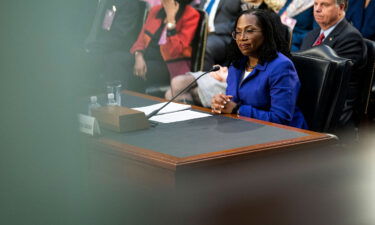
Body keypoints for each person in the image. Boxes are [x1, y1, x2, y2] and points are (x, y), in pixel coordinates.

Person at [211, 9, 308, 129]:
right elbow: (232, 102)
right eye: (238, 32)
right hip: (244, 128)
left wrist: (237, 109)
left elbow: (280, 119)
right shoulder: (237, 65)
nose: (242, 38)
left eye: (250, 31)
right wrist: (222, 103)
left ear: (266, 34)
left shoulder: (282, 67)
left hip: (284, 136)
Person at [300, 0, 367, 131]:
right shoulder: (310, 36)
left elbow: (331, 83)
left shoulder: (350, 38)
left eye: (324, 4)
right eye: (315, 4)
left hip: (330, 113)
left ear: (341, 7)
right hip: (309, 103)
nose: (317, 9)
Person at [129, 0, 199, 93]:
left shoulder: (191, 15)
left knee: (128, 69)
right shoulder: (156, 10)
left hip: (169, 64)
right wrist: (138, 56)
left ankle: (130, 103)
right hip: (147, 55)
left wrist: (171, 19)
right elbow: (140, 39)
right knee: (116, 58)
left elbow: (176, 51)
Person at [198, 0, 242, 71]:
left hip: (222, 36)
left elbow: (240, 23)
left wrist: (212, 28)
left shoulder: (237, 2)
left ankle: (204, 81)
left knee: (204, 46)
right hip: (200, 34)